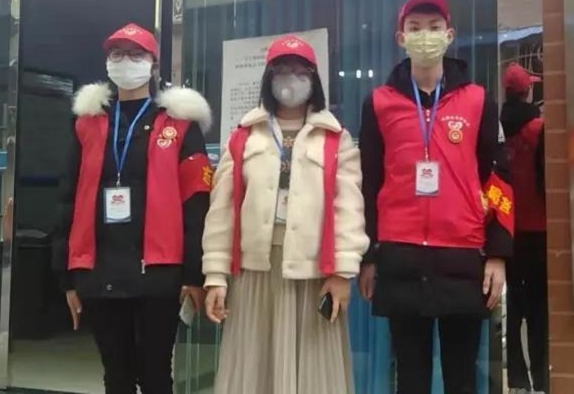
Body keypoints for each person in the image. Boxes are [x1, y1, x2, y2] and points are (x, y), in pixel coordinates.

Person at [358, 0, 514, 394]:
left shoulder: (477, 100)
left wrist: (498, 254)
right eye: (415, 28)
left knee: (462, 377)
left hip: (462, 256)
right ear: (401, 38)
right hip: (401, 256)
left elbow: (499, 178)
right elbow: (369, 182)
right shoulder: (379, 104)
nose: (424, 35)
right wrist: (369, 256)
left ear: (449, 34)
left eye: (433, 27)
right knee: (410, 377)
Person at [202, 34, 369, 394]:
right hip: (255, 273)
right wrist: (215, 275)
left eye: (300, 71)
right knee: (252, 368)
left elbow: (349, 209)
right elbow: (222, 211)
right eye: (281, 70)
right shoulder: (243, 137)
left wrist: (342, 273)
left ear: (314, 79)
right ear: (268, 79)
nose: (290, 79)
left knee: (314, 374)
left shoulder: (336, 138)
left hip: (314, 274)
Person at [52, 23, 213, 394]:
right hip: (99, 269)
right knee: (116, 375)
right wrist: (67, 276)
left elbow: (196, 203)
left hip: (160, 271)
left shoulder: (180, 124)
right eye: (117, 54)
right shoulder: (87, 125)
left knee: (156, 375)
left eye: (136, 54)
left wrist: (194, 273)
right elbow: (68, 199)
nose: (125, 61)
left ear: (153, 64)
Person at [500, 62, 548, 394]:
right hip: (539, 232)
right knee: (539, 312)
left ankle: (517, 380)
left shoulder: (499, 130)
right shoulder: (540, 129)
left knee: (515, 308)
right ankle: (543, 379)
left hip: (509, 232)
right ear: (529, 90)